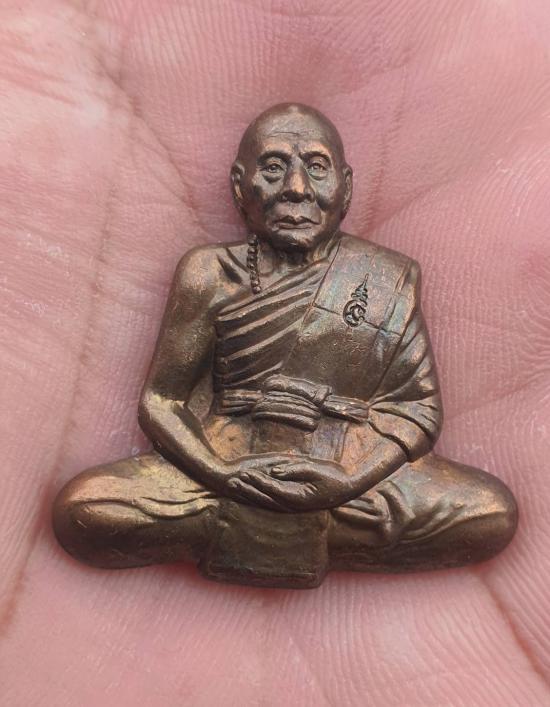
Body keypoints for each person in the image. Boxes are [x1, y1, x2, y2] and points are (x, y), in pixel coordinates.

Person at [52, 103, 517, 588]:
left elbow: (418, 410)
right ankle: (289, 522)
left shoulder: (386, 276)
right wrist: (222, 473)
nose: (296, 188)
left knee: (489, 512)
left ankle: (275, 521)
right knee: (85, 509)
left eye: (316, 167)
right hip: (227, 463)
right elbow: (162, 400)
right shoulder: (209, 273)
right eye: (273, 168)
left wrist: (349, 480)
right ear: (240, 186)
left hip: (345, 474)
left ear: (345, 187)